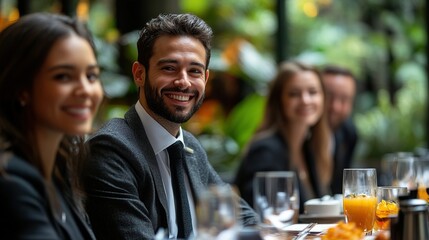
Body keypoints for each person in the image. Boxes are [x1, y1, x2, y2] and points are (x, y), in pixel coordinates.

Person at [82, 13, 259, 240]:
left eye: (194, 71)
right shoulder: (111, 150)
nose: (183, 81)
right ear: (139, 74)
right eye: (169, 68)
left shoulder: (190, 148)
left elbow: (247, 220)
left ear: (205, 78)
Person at [0, 13, 103, 239]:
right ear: (21, 89)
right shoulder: (10, 180)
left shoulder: (60, 169)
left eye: (91, 76)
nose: (85, 90)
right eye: (63, 77)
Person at [233, 61, 333, 212]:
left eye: (312, 92)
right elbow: (260, 217)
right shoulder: (265, 151)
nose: (305, 100)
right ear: (278, 100)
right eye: (294, 94)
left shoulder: (310, 147)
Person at [321, 65, 358, 194]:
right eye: (329, 96)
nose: (335, 107)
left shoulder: (348, 133)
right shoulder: (298, 138)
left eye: (344, 99)